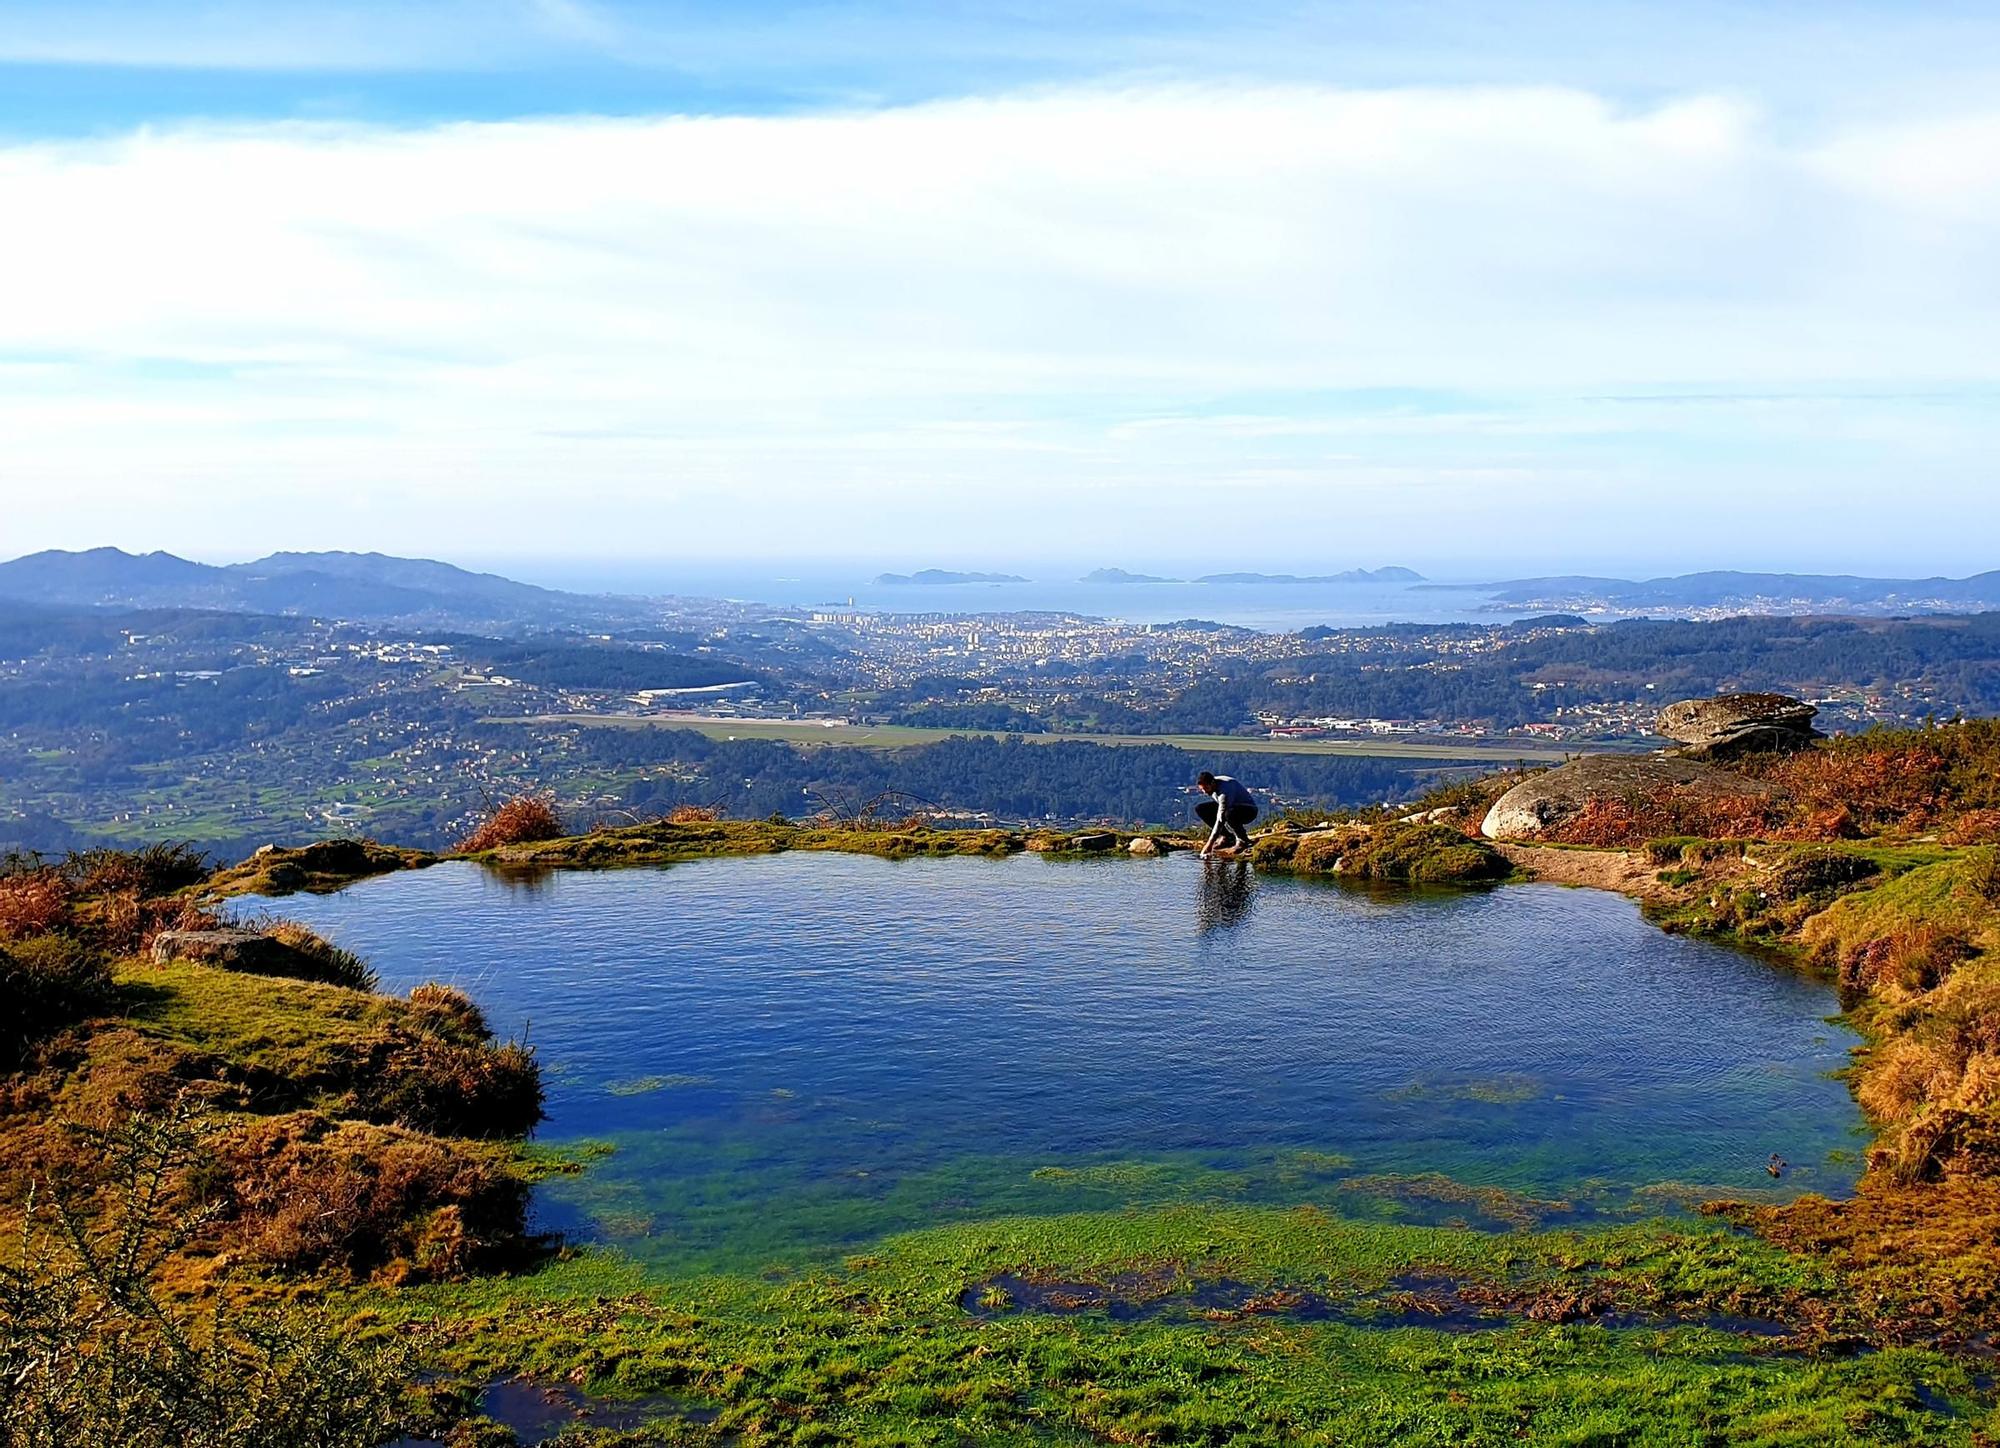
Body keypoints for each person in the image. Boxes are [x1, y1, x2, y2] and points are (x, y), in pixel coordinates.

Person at [1194, 770, 1258, 857]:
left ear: (1212, 783)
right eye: (1202, 789)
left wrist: (1209, 844)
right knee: (1201, 809)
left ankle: (1242, 840)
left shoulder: (1224, 791)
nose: (1205, 792)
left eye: (1206, 788)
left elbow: (1220, 819)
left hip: (1248, 810)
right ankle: (1227, 837)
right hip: (1231, 807)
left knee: (1228, 814)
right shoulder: (1213, 783)